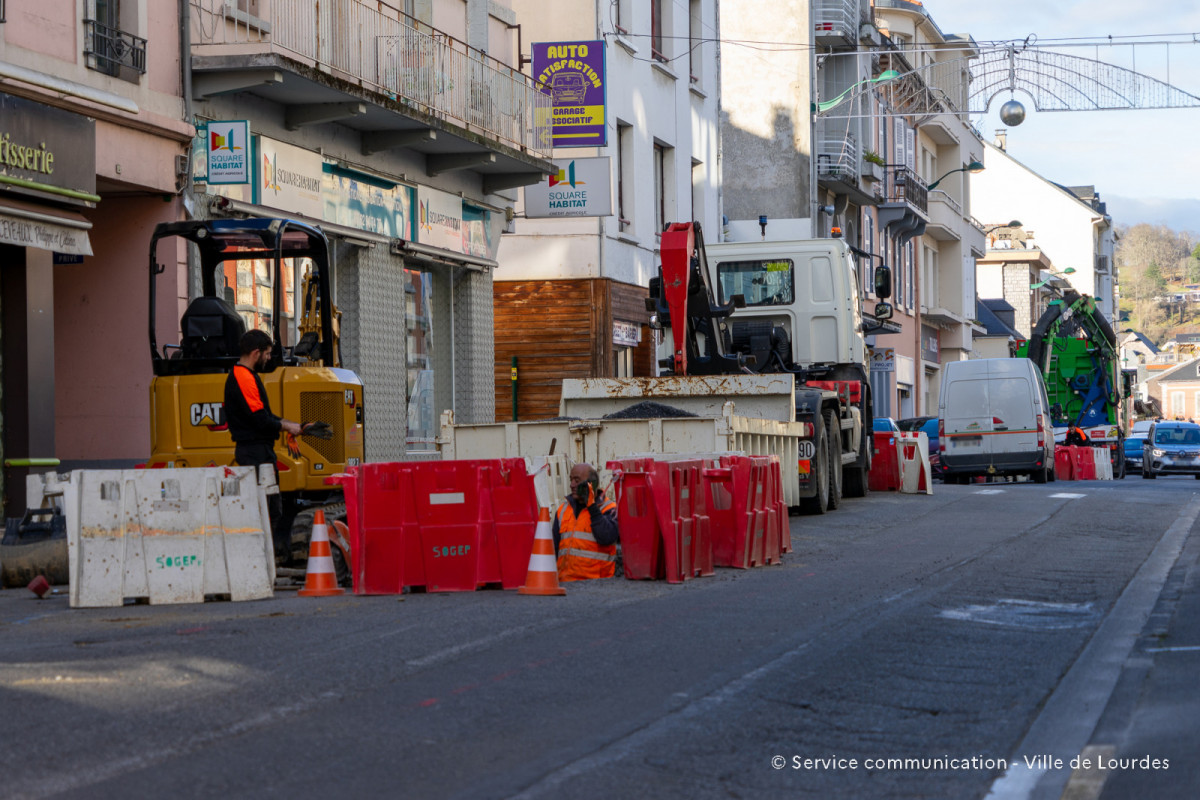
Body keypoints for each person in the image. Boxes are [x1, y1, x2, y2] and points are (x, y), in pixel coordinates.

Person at [224, 329, 304, 556]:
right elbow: (258, 418)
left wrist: (287, 424)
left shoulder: (246, 376)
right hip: (255, 452)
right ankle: (262, 559)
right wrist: (285, 426)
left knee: (269, 507)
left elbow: (263, 415)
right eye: (267, 354)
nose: (269, 359)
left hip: (258, 451)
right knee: (266, 509)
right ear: (256, 353)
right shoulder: (243, 377)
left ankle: (266, 559)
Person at [552, 463, 620, 582]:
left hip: (597, 585)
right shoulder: (563, 510)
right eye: (571, 479)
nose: (572, 484)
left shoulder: (609, 509)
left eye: (577, 480)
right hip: (565, 584)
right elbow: (554, 550)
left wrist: (591, 505)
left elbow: (606, 537)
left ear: (591, 484)